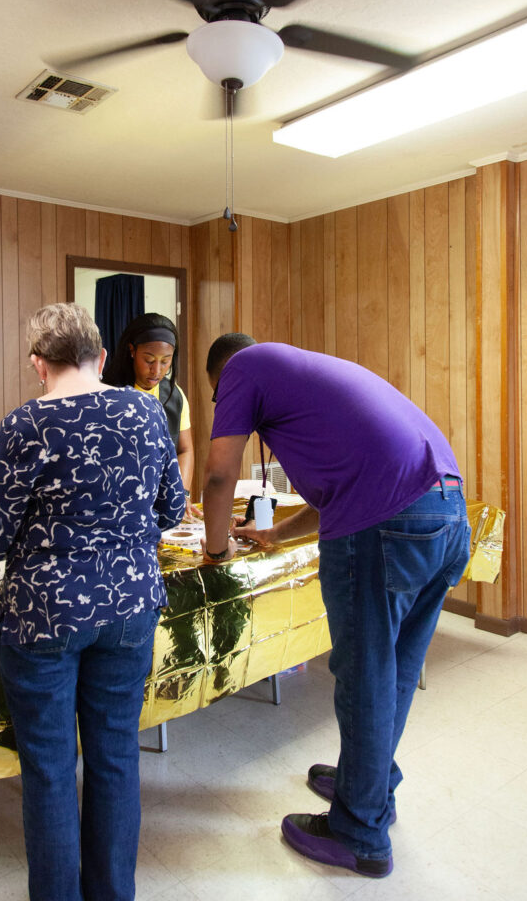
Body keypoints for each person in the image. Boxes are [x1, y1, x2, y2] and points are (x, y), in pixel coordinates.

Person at [201, 335, 471, 880]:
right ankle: (368, 785)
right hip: (446, 511)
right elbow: (341, 491)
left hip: (388, 523)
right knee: (395, 668)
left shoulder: (241, 368)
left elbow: (218, 474)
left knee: (366, 673)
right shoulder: (305, 373)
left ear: (221, 377)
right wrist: (276, 533)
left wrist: (215, 549)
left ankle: (359, 833)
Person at [0, 302, 185, 901]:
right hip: (130, 607)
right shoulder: (145, 410)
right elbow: (172, 508)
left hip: (45, 615)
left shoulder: (25, 424)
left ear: (39, 364)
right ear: (103, 356)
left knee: (50, 767)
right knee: (115, 756)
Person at [103, 312, 200, 518]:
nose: (156, 370)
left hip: (162, 505)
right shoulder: (106, 393)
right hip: (116, 506)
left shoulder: (175, 396)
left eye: (165, 361)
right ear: (132, 351)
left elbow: (185, 450)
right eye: (148, 360)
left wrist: (181, 495)